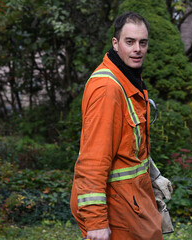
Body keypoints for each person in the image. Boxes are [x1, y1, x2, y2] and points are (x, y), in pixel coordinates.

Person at [70, 12, 173, 240]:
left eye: (142, 43)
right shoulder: (108, 88)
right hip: (118, 211)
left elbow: (128, 147)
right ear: (115, 44)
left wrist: (153, 176)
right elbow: (92, 160)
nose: (137, 49)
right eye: (130, 42)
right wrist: (96, 222)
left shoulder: (129, 80)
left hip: (134, 205)